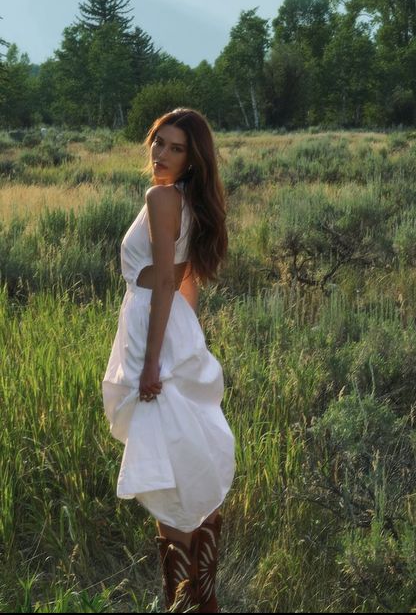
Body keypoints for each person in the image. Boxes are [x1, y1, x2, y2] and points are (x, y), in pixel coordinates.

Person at [102, 108, 235, 613]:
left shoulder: (161, 196)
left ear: (192, 159)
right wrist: (188, 341)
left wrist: (154, 361)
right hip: (171, 325)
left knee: (164, 459)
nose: (160, 153)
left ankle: (186, 601)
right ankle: (200, 597)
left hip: (154, 328)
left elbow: (164, 280)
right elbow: (185, 280)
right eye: (158, 141)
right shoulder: (186, 201)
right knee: (178, 449)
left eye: (175, 147)